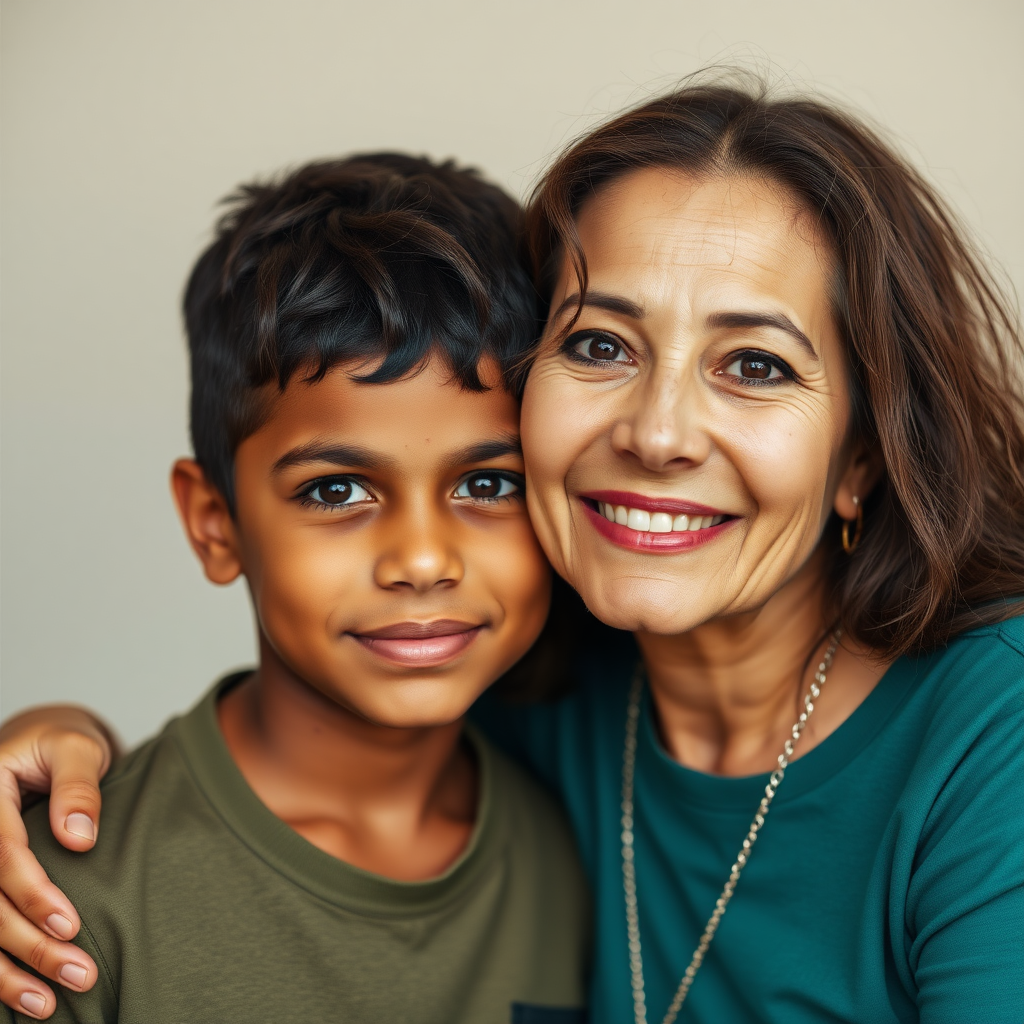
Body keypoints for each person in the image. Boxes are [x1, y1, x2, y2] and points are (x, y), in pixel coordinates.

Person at [2, 78, 1023, 1023]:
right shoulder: (531, 687)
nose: (656, 432)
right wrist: (62, 759)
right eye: (600, 345)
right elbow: (278, 790)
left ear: (864, 458)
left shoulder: (991, 733)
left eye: (753, 364)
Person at [0, 153, 591, 1022]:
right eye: (336, 490)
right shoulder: (57, 901)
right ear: (215, 523)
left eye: (488, 484)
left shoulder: (567, 853)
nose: (423, 561)